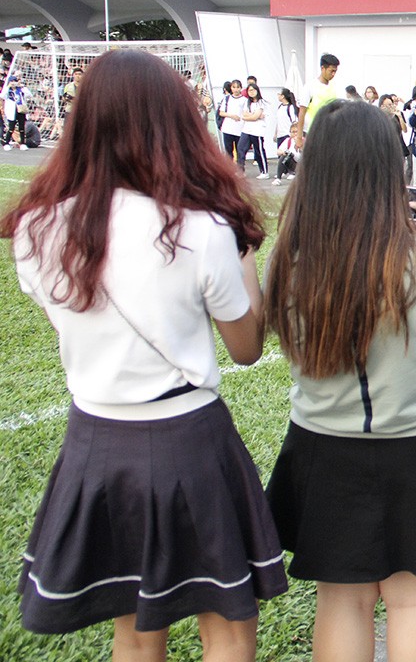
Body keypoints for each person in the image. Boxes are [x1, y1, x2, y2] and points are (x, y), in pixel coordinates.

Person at [2, 49, 287, 661]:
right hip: (189, 438)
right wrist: (243, 255)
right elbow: (245, 348)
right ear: (174, 124)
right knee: (227, 622)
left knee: (133, 630)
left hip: (95, 441)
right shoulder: (202, 228)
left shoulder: (35, 228)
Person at [264, 100, 416, 662]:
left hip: (324, 444)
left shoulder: (290, 258)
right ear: (389, 167)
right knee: (415, 599)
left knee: (341, 601)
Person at [296, 53, 340, 136]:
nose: (333, 74)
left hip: (329, 131)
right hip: (311, 132)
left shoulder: (334, 87)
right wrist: (299, 136)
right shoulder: (310, 86)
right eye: (331, 71)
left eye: (335, 71)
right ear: (323, 68)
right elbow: (302, 112)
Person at [238, 83, 270, 179]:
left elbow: (255, 117)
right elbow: (244, 115)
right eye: (249, 90)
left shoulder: (261, 102)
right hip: (247, 129)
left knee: (258, 150)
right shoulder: (247, 102)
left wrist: (252, 116)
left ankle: (264, 171)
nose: (251, 92)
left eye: (253, 90)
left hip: (257, 130)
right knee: (240, 148)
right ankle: (240, 170)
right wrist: (253, 116)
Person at [218, 79, 247, 162]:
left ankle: (240, 167)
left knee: (240, 150)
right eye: (234, 87)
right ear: (231, 88)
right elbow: (221, 113)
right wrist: (231, 116)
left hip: (239, 128)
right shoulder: (227, 98)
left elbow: (246, 112)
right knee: (228, 151)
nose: (236, 89)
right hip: (228, 128)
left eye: (238, 87)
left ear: (241, 88)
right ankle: (230, 166)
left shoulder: (244, 100)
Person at [4, 73, 30, 149]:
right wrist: (8, 87)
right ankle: (6, 143)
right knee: (11, 127)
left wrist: (23, 87)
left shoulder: (20, 90)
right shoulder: (8, 91)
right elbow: (2, 96)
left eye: (14, 81)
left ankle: (22, 143)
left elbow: (29, 95)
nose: (13, 83)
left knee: (21, 128)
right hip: (12, 111)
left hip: (20, 110)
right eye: (11, 81)